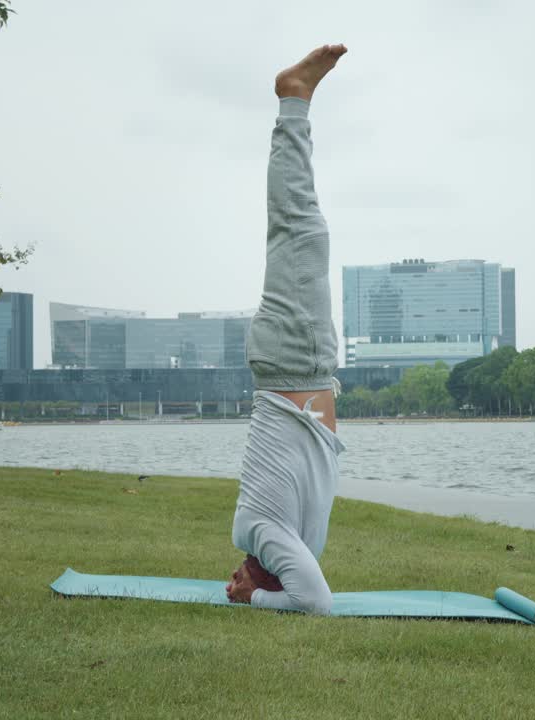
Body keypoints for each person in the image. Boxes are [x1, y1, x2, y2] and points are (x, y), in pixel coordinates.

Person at [225, 44, 349, 615]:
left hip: (292, 362)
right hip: (308, 363)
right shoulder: (283, 548)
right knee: (301, 230)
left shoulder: (259, 533)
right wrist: (258, 593)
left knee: (299, 227)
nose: (229, 579)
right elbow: (313, 598)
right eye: (238, 582)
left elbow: (316, 604)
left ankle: (292, 99)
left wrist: (256, 597)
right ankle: (294, 100)